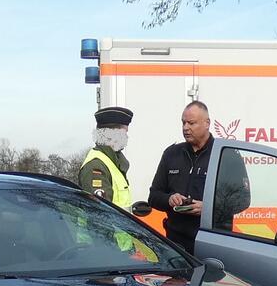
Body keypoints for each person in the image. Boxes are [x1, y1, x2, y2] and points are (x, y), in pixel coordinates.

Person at [147, 100, 248, 253]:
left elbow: (242, 199)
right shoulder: (172, 154)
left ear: (207, 123)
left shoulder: (226, 155)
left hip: (214, 242)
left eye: (191, 123)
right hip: (177, 243)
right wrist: (169, 199)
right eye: (183, 123)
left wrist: (208, 208)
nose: (185, 128)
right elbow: (154, 196)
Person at [77, 106, 134, 206]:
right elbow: (100, 211)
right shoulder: (96, 166)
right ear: (111, 134)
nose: (127, 137)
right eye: (124, 133)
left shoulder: (112, 161)